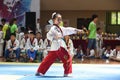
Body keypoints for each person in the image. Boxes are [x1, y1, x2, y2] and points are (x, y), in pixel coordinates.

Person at [36, 12, 83, 77]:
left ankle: (40, 71)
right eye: (58, 19)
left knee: (48, 60)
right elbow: (49, 35)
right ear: (53, 20)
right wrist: (54, 37)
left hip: (55, 48)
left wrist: (76, 30)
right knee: (68, 58)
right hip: (58, 47)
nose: (60, 20)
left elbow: (67, 30)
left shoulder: (59, 28)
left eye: (60, 19)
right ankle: (67, 73)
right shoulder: (53, 28)